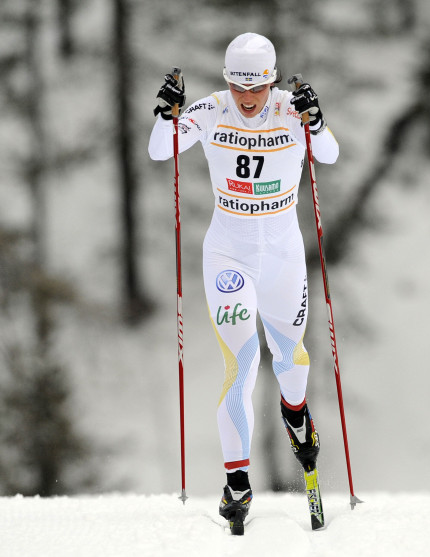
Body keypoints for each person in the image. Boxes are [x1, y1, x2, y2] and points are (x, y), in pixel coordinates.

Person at [148, 32, 338, 533]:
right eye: (237, 86)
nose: (247, 98)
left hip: (282, 257)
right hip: (229, 256)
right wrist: (166, 114)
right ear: (227, 79)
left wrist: (315, 123)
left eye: (256, 87)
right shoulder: (211, 110)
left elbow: (330, 154)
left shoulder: (289, 109)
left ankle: (296, 413)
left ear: (272, 80)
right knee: (241, 365)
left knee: (291, 360)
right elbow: (158, 150)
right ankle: (237, 480)